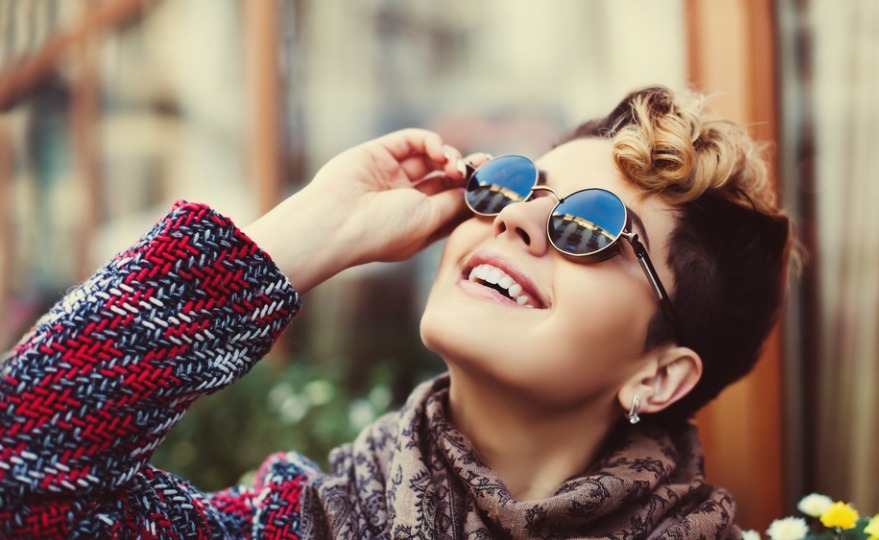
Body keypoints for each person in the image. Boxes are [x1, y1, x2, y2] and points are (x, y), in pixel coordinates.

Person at [0, 85, 793, 539]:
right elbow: (20, 476)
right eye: (512, 186)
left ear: (658, 376)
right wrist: (308, 234)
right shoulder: (299, 526)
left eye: (588, 228)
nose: (515, 219)